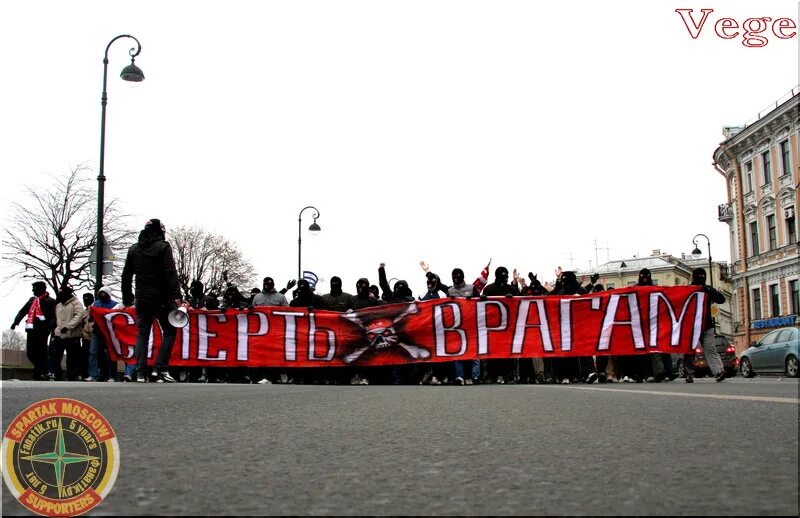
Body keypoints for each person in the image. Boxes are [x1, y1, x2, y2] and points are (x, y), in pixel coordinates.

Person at [121, 218, 182, 383]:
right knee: (169, 331)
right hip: (162, 297)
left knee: (142, 333)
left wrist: (127, 298)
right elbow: (170, 272)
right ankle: (160, 368)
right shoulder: (163, 247)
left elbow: (126, 275)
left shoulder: (134, 249)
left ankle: (141, 372)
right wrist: (178, 296)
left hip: (141, 297)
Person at [684, 268, 727, 383]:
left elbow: (721, 299)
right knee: (691, 349)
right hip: (695, 325)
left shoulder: (705, 289)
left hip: (703, 325)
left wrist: (709, 291)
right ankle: (690, 373)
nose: (701, 278)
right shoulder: (689, 290)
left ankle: (718, 371)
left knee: (707, 349)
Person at [481, 266, 520, 384]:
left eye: (506, 275)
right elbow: (481, 306)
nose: (506, 278)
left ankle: (508, 376)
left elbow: (521, 300)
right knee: (493, 351)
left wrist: (512, 298)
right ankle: (492, 375)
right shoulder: (489, 289)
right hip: (493, 326)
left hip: (508, 326)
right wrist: (482, 299)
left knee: (507, 352)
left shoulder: (511, 289)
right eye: (503, 275)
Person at [11, 281, 57, 380]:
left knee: (41, 352)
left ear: (41, 289)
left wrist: (49, 326)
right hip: (31, 329)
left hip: (43, 331)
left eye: (35, 288)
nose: (33, 290)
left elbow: (54, 316)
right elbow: (23, 311)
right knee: (31, 353)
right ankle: (40, 370)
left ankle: (41, 373)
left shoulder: (51, 301)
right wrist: (16, 322)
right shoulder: (31, 300)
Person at [86, 287, 124, 382]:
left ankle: (112, 375)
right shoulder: (95, 304)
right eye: (101, 294)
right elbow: (91, 317)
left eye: (104, 294)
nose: (102, 296)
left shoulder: (115, 305)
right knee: (93, 352)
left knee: (110, 354)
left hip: (110, 333)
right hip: (97, 331)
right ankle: (93, 375)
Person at [48, 284, 85, 381]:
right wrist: (57, 328)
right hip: (59, 334)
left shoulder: (76, 303)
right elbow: (58, 319)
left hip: (72, 335)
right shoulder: (58, 306)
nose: (59, 296)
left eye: (61, 294)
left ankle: (72, 375)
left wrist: (68, 326)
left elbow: (78, 317)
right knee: (55, 354)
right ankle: (55, 374)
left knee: (72, 357)